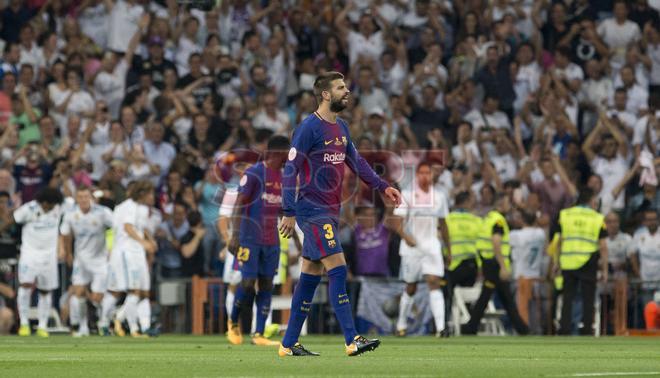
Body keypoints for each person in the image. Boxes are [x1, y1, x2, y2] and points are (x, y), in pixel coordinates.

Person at [278, 71, 402, 357]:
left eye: (346, 87)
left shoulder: (342, 128)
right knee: (338, 266)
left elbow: (357, 163)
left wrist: (384, 187)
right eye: (340, 87)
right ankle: (352, 338)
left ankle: (288, 344)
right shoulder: (308, 128)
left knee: (310, 273)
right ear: (325, 94)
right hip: (312, 210)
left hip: (330, 211)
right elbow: (290, 169)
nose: (347, 91)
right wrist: (288, 210)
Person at [226, 135, 290, 346]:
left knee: (267, 284)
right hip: (249, 238)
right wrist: (234, 235)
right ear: (277, 153)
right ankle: (233, 322)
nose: (289, 158)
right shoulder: (254, 173)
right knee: (246, 283)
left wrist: (297, 241)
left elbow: (280, 208)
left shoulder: (284, 177)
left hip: (272, 240)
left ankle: (259, 334)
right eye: (286, 153)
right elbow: (238, 205)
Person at [394, 161, 450, 338]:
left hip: (432, 246)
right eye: (422, 173)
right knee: (411, 286)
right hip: (412, 248)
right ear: (417, 175)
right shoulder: (408, 194)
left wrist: (449, 249)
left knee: (434, 282)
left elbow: (443, 224)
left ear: (432, 176)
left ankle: (441, 328)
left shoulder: (439, 196)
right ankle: (401, 324)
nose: (425, 176)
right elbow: (397, 223)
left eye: (428, 173)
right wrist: (405, 236)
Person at [462, 194, 530, 335]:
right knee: (490, 297)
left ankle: (521, 328)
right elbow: (496, 242)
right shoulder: (498, 220)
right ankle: (471, 327)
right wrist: (503, 266)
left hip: (488, 262)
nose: (509, 206)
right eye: (507, 203)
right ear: (500, 204)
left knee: (502, 298)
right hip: (494, 264)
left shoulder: (488, 218)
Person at [102, 180, 157, 337]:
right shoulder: (128, 207)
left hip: (137, 252)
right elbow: (128, 227)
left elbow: (141, 228)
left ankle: (141, 327)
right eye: (150, 194)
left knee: (142, 292)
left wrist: (150, 240)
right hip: (127, 253)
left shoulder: (142, 209)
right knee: (132, 291)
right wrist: (144, 243)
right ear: (142, 194)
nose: (152, 197)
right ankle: (117, 319)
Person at [60, 186, 113, 337]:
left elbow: (114, 229)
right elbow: (65, 234)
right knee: (78, 292)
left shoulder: (103, 213)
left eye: (86, 197)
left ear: (91, 198)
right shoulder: (70, 214)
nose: (83, 200)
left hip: (99, 260)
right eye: (80, 197)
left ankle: (102, 320)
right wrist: (68, 253)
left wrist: (111, 249)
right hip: (81, 260)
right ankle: (82, 327)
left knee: (96, 298)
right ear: (77, 198)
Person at [557, 189, 608, 335]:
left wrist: (556, 262)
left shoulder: (565, 215)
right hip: (588, 261)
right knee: (588, 298)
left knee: (568, 297)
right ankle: (586, 330)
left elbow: (560, 240)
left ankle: (564, 329)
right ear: (590, 201)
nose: (596, 204)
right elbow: (603, 246)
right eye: (595, 202)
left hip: (567, 260)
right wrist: (604, 270)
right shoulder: (597, 218)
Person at [14, 187, 64, 337]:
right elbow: (14, 219)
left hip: (49, 256)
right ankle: (24, 324)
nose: (51, 207)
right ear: (42, 202)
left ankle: (42, 326)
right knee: (25, 286)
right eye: (49, 204)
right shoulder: (28, 209)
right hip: (30, 254)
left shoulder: (58, 208)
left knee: (45, 290)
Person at [444, 191, 480, 327]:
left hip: (452, 265)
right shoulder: (475, 220)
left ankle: (443, 325)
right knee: (467, 298)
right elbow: (481, 244)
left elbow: (440, 238)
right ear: (467, 202)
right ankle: (468, 325)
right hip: (471, 265)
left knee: (447, 296)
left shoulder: (448, 219)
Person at [509, 211, 547, 332]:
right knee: (535, 310)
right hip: (535, 277)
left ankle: (523, 331)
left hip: (521, 277)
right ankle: (536, 331)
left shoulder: (516, 235)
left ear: (522, 220)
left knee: (522, 309)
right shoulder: (540, 234)